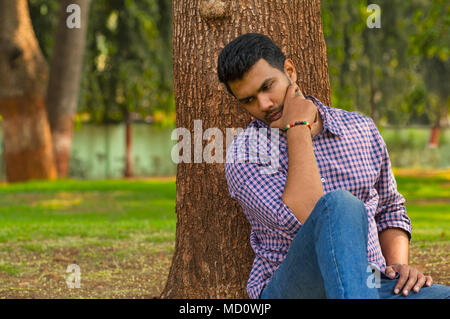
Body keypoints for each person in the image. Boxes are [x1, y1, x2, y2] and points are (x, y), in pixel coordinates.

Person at [219, 33, 450, 299]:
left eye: (267, 86)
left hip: (373, 283)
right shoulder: (246, 154)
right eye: (248, 100)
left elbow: (389, 208)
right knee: (339, 205)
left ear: (290, 72)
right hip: (298, 288)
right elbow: (311, 216)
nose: (264, 104)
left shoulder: (360, 129)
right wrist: (297, 128)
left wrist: (397, 267)